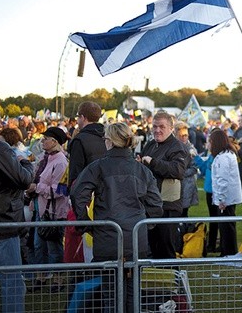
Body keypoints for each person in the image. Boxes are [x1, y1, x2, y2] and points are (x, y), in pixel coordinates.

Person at [71, 122, 163, 313]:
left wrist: (86, 224)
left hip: (110, 238)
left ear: (110, 142)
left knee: (111, 295)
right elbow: (156, 205)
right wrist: (146, 225)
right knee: (132, 293)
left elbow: (78, 193)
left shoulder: (98, 167)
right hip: (133, 240)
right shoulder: (141, 170)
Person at [0, 103, 35, 313]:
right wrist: (25, 162)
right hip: (1, 224)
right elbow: (24, 179)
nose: (0, 126)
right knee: (11, 284)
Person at [138, 111, 191, 258]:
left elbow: (177, 170)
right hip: (150, 204)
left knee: (166, 248)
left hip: (168, 206)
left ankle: (172, 279)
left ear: (171, 128)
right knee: (151, 247)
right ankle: (157, 279)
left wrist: (152, 162)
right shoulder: (150, 144)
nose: (157, 130)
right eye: (154, 126)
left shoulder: (178, 147)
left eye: (162, 126)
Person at [65, 101, 106, 264]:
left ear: (82, 117)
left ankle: (82, 273)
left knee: (81, 240)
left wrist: (72, 196)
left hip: (85, 196)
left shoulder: (80, 140)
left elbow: (75, 174)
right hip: (104, 194)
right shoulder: (107, 137)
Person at [33, 127, 69, 291]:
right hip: (42, 210)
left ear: (54, 141)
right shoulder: (46, 159)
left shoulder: (61, 162)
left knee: (54, 249)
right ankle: (41, 277)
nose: (42, 141)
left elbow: (60, 191)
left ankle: (58, 280)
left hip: (54, 213)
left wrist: (36, 187)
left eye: (45, 138)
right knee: (39, 246)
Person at [209, 129, 242, 256]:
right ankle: (226, 250)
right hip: (227, 197)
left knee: (227, 226)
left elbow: (222, 180)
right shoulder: (226, 155)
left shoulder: (224, 157)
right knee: (226, 225)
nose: (209, 144)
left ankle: (229, 251)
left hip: (226, 199)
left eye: (211, 141)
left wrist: (221, 200)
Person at [174, 122, 199, 217]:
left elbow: (194, 168)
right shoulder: (173, 147)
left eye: (186, 135)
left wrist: (180, 173)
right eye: (181, 136)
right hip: (174, 185)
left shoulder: (191, 149)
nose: (184, 138)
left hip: (186, 185)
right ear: (176, 135)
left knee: (184, 212)